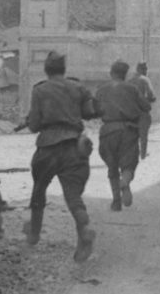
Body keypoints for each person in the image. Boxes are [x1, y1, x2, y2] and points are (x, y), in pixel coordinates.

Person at [25, 51, 96, 262]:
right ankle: (84, 230)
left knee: (39, 191)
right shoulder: (78, 87)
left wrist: (32, 120)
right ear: (64, 70)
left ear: (47, 70)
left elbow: (34, 125)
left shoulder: (39, 90)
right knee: (73, 196)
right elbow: (89, 113)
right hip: (74, 147)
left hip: (48, 147)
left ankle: (34, 234)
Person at [95, 60, 151, 211]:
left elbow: (94, 110)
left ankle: (116, 201)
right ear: (125, 74)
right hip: (128, 130)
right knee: (129, 164)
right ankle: (125, 181)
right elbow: (146, 106)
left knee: (112, 167)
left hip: (108, 131)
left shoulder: (102, 89)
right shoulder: (132, 89)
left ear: (111, 73)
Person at [129, 62, 156, 159]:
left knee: (133, 133)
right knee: (143, 134)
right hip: (143, 111)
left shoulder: (130, 81)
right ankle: (143, 154)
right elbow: (151, 95)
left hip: (131, 112)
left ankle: (134, 152)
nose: (146, 71)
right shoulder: (145, 80)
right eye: (145, 69)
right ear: (143, 69)